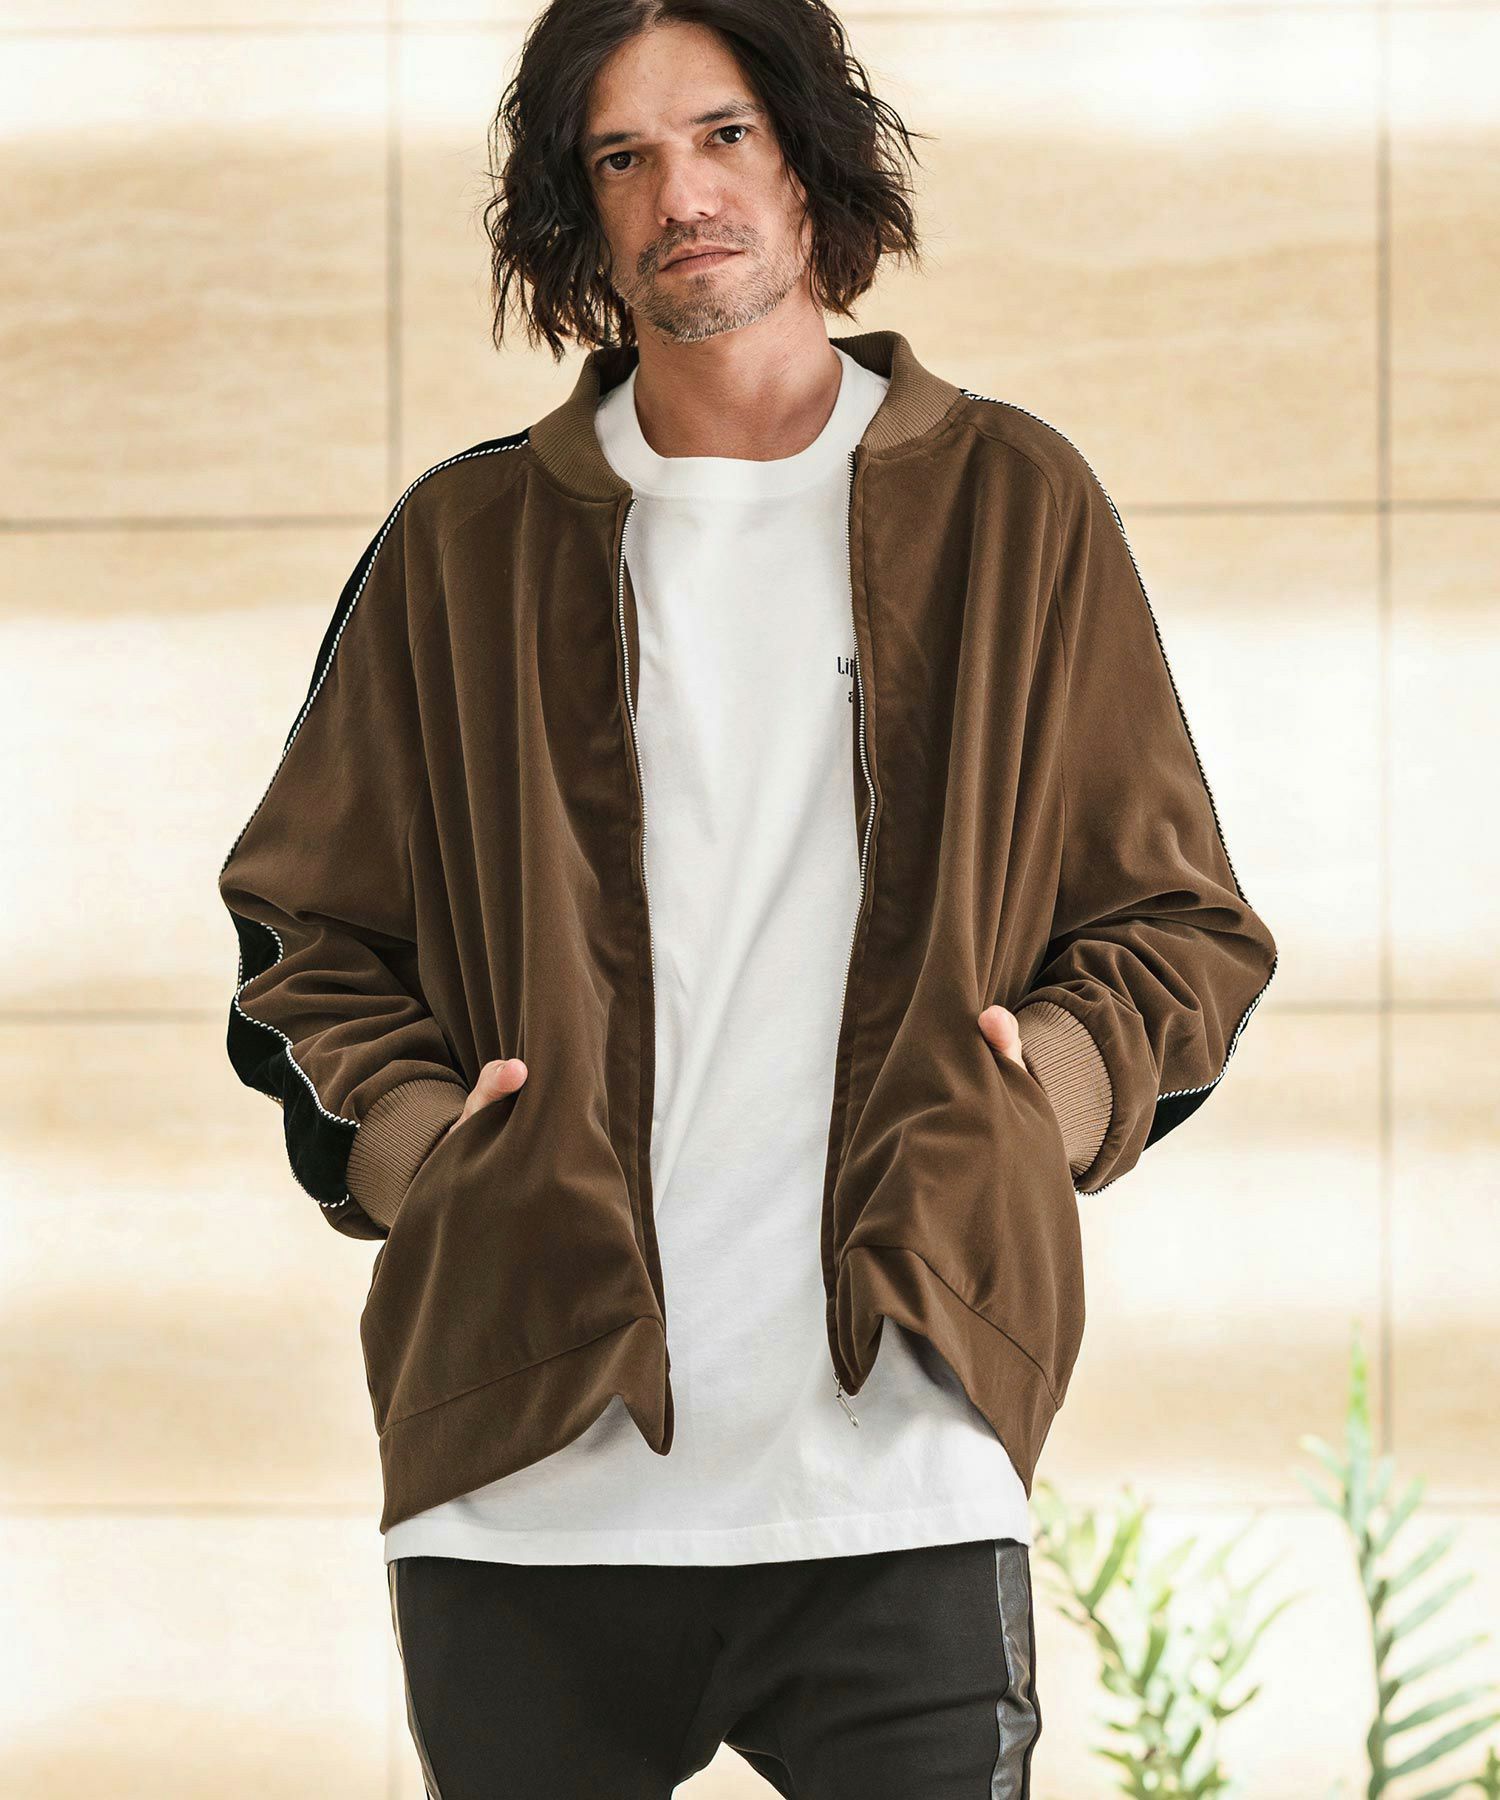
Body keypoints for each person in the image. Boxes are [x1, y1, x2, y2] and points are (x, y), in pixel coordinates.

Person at [216, 1, 1278, 1794]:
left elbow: (1182, 925)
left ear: (806, 160)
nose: (680, 194)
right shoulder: (463, 547)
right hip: (525, 1475)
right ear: (578, 209)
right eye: (621, 157)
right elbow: (300, 937)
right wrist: (420, 1151)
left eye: (722, 135)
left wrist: (1036, 1098)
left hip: (899, 1463)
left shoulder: (1010, 505)